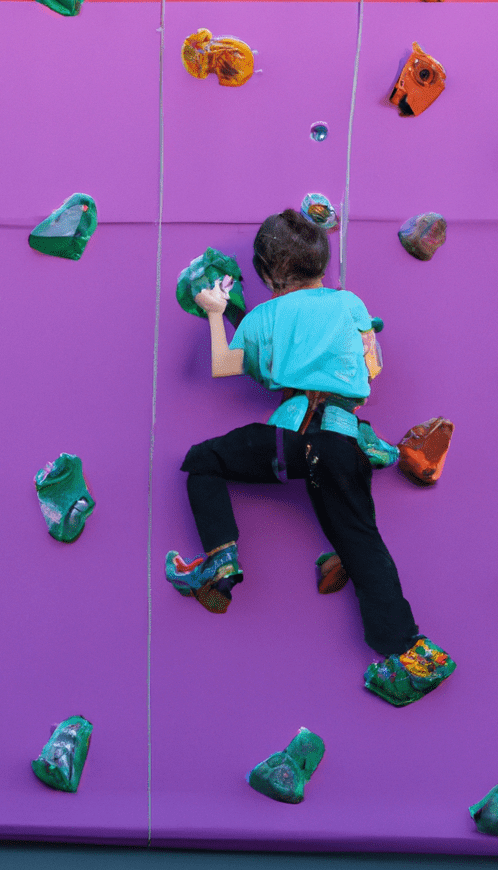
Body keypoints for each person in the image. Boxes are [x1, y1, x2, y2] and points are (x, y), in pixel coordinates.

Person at [165, 209, 455, 706]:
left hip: (291, 441)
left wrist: (217, 311)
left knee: (202, 462)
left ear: (269, 274)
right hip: (341, 442)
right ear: (323, 262)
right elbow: (373, 364)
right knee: (362, 542)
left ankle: (220, 559)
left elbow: (225, 366)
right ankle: (413, 653)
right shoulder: (350, 303)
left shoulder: (261, 317)